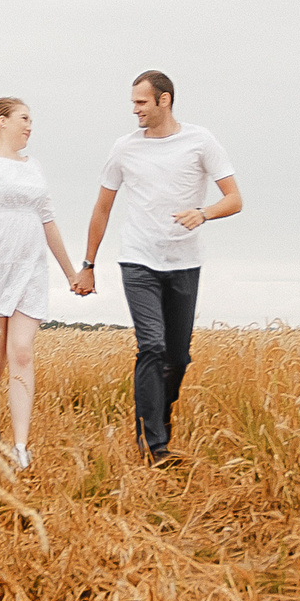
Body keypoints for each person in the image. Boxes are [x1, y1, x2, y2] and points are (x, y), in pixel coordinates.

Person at [71, 70, 241, 465]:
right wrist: (88, 264)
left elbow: (234, 199)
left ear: (165, 100)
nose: (135, 110)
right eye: (133, 102)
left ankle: (160, 424)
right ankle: (153, 445)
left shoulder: (200, 141)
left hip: (185, 262)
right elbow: (103, 207)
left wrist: (204, 213)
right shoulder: (124, 148)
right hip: (138, 259)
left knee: (177, 358)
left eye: (141, 102)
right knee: (151, 346)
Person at [0, 97, 80, 470]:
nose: (29, 126)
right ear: (2, 121)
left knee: (21, 352)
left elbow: (48, 220)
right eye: (24, 118)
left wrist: (71, 273)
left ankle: (21, 448)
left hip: (30, 267)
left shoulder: (33, 166)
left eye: (31, 120)